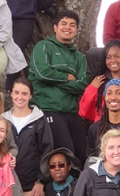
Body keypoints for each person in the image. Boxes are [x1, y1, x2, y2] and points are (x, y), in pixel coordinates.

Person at [29, 10, 89, 162]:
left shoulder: (79, 57)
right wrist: (66, 78)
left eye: (72, 25)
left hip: (71, 112)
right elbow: (42, 74)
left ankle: (82, 185)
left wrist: (54, 80)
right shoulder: (43, 47)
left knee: (84, 152)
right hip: (49, 109)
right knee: (66, 152)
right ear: (55, 27)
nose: (67, 27)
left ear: (76, 30)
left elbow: (82, 85)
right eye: (63, 24)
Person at [2, 78, 54, 196]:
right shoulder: (3, 120)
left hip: (32, 183)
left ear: (31, 96)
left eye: (24, 93)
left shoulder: (39, 119)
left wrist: (40, 181)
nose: (20, 97)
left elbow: (47, 151)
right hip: (7, 183)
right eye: (16, 92)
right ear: (11, 94)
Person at [79, 40, 120, 124]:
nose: (112, 60)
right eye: (108, 57)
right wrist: (92, 89)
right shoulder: (100, 81)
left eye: (117, 56)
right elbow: (84, 111)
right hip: (102, 127)